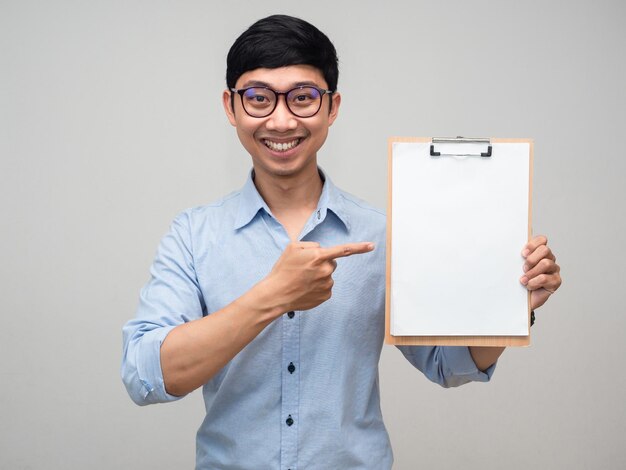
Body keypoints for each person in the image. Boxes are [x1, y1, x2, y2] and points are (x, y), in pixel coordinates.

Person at [121, 14, 562, 469]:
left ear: (332, 108)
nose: (281, 119)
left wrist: (512, 304)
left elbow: (449, 365)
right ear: (231, 107)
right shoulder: (193, 236)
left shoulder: (383, 234)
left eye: (303, 98)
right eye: (258, 98)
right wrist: (273, 296)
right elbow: (146, 375)